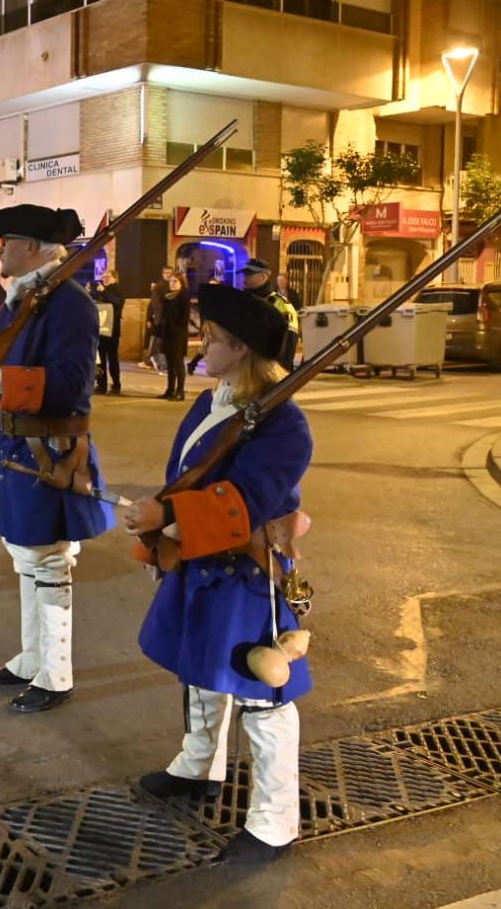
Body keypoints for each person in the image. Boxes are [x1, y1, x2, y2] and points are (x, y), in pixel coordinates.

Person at [123, 283, 312, 865]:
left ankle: (275, 822)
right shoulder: (213, 403)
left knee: (262, 696)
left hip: (248, 572)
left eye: (214, 339)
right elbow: (184, 474)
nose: (203, 345)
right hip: (201, 560)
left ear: (241, 349)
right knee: (201, 672)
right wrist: (161, 520)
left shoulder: (285, 425)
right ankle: (199, 766)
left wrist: (169, 515)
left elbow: (247, 501)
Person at [0, 206, 114, 713]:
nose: (0, 252)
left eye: (5, 244)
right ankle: (31, 660)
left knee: (47, 563)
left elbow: (71, 386)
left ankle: (56, 674)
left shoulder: (69, 305)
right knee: (27, 559)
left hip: (49, 450)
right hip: (15, 446)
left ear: (29, 247)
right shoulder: (26, 300)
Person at [243, 259, 300, 370]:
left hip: (268, 374)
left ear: (263, 277)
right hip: (243, 372)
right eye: (244, 275)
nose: (245, 278)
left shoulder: (281, 305)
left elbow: (288, 344)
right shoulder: (242, 302)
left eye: (249, 275)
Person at [158, 272, 190, 401]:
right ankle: (170, 390)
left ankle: (180, 391)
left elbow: (184, 317)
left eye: (175, 281)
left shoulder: (183, 296)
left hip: (178, 335)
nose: (172, 283)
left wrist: (176, 329)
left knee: (178, 362)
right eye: (171, 281)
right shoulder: (168, 297)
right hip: (167, 334)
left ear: (181, 284)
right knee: (169, 363)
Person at [94, 271, 124, 396]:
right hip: (100, 330)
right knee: (100, 359)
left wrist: (103, 291)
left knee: (112, 359)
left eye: (107, 277)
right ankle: (101, 385)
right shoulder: (102, 290)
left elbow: (117, 303)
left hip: (112, 330)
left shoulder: (118, 290)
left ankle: (116, 385)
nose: (105, 279)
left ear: (115, 278)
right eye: (103, 277)